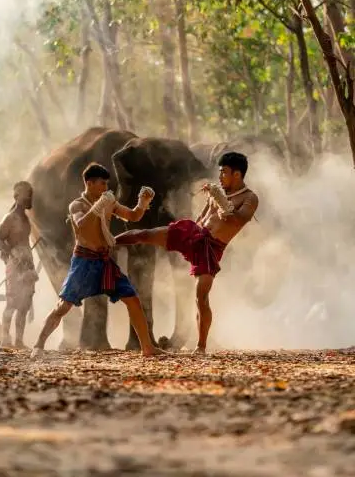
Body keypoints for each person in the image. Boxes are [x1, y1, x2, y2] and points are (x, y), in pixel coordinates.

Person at [115, 152, 259, 354]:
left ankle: (201, 346)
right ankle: (109, 242)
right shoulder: (219, 191)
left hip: (212, 248)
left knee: (201, 297)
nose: (220, 177)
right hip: (195, 234)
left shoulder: (250, 198)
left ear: (237, 174)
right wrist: (189, 234)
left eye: (224, 173)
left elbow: (237, 221)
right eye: (219, 173)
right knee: (145, 234)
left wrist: (223, 206)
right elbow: (202, 218)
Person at [31, 162, 165, 359]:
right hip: (84, 262)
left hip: (104, 261)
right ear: (89, 183)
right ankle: (38, 345)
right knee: (63, 306)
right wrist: (98, 206)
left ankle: (147, 347)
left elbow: (133, 216)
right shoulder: (77, 205)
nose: (105, 188)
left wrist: (143, 202)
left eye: (106, 184)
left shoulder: (108, 202)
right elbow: (80, 225)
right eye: (102, 184)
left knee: (133, 300)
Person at [0, 181, 38, 349]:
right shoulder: (9, 218)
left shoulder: (25, 219)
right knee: (12, 301)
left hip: (27, 262)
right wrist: (13, 254)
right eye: (27, 194)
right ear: (18, 196)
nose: (29, 198)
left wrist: (27, 260)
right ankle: (5, 338)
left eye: (31, 194)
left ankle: (19, 340)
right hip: (15, 263)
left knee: (25, 302)